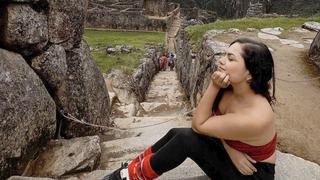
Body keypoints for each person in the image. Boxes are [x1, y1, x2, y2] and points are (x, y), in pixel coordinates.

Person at [103, 38, 277, 180]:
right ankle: (133, 168)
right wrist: (232, 150)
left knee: (186, 139)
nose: (221, 60)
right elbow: (217, 126)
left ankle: (129, 177)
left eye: (231, 58)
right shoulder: (233, 87)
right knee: (176, 132)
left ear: (250, 74)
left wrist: (214, 86)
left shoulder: (255, 117)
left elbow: (199, 125)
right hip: (237, 154)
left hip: (252, 173)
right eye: (224, 55)